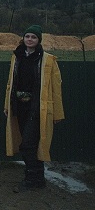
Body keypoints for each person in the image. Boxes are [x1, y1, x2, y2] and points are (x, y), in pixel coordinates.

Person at [4, 25, 64, 193]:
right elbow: (10, 84)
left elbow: (56, 88)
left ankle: (32, 178)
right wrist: (7, 105)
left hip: (37, 107)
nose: (29, 39)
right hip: (19, 106)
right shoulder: (17, 57)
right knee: (29, 142)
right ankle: (38, 178)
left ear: (39, 41)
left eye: (33, 37)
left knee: (28, 144)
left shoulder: (47, 60)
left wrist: (57, 113)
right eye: (27, 36)